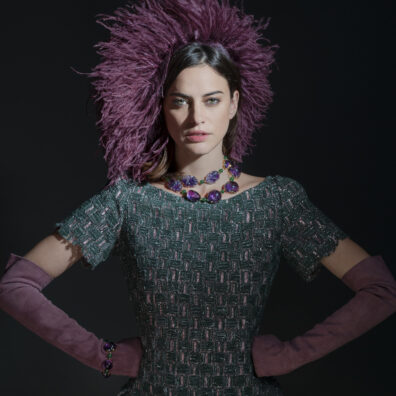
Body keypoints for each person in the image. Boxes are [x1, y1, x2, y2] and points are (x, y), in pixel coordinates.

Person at [1, 0, 395, 395]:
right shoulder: (129, 201)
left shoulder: (277, 200)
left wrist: (291, 355)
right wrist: (103, 357)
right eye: (179, 101)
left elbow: (381, 291)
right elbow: (15, 285)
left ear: (234, 104)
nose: (196, 118)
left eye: (211, 99)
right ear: (162, 108)